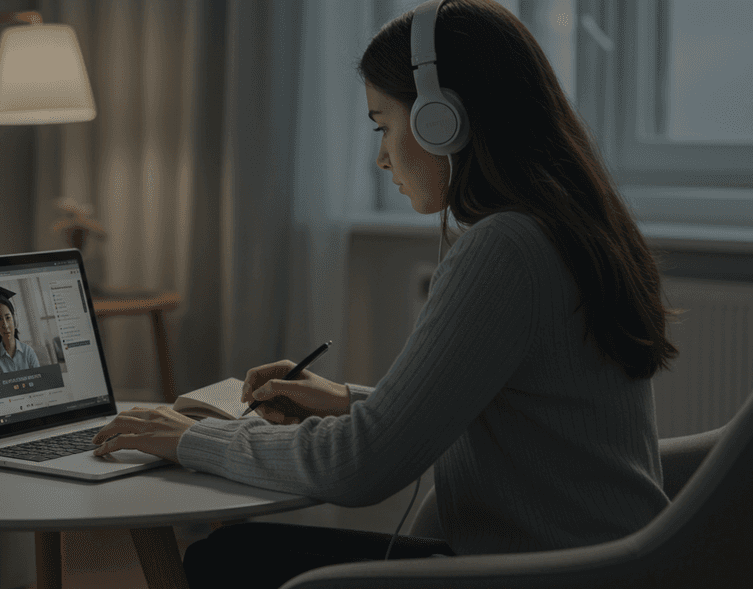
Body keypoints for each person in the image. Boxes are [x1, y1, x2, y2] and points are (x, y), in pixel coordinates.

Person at [90, 0, 680, 586]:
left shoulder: (505, 248)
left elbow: (360, 468)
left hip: (547, 575)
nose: (380, 157)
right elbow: (506, 404)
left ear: (442, 120)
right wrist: (347, 401)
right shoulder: (571, 227)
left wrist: (192, 438)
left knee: (229, 558)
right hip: (612, 566)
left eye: (383, 125)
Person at [0, 286, 41, 375]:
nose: (5, 325)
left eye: (8, 317)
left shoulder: (28, 351)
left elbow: (39, 380)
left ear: (15, 320)